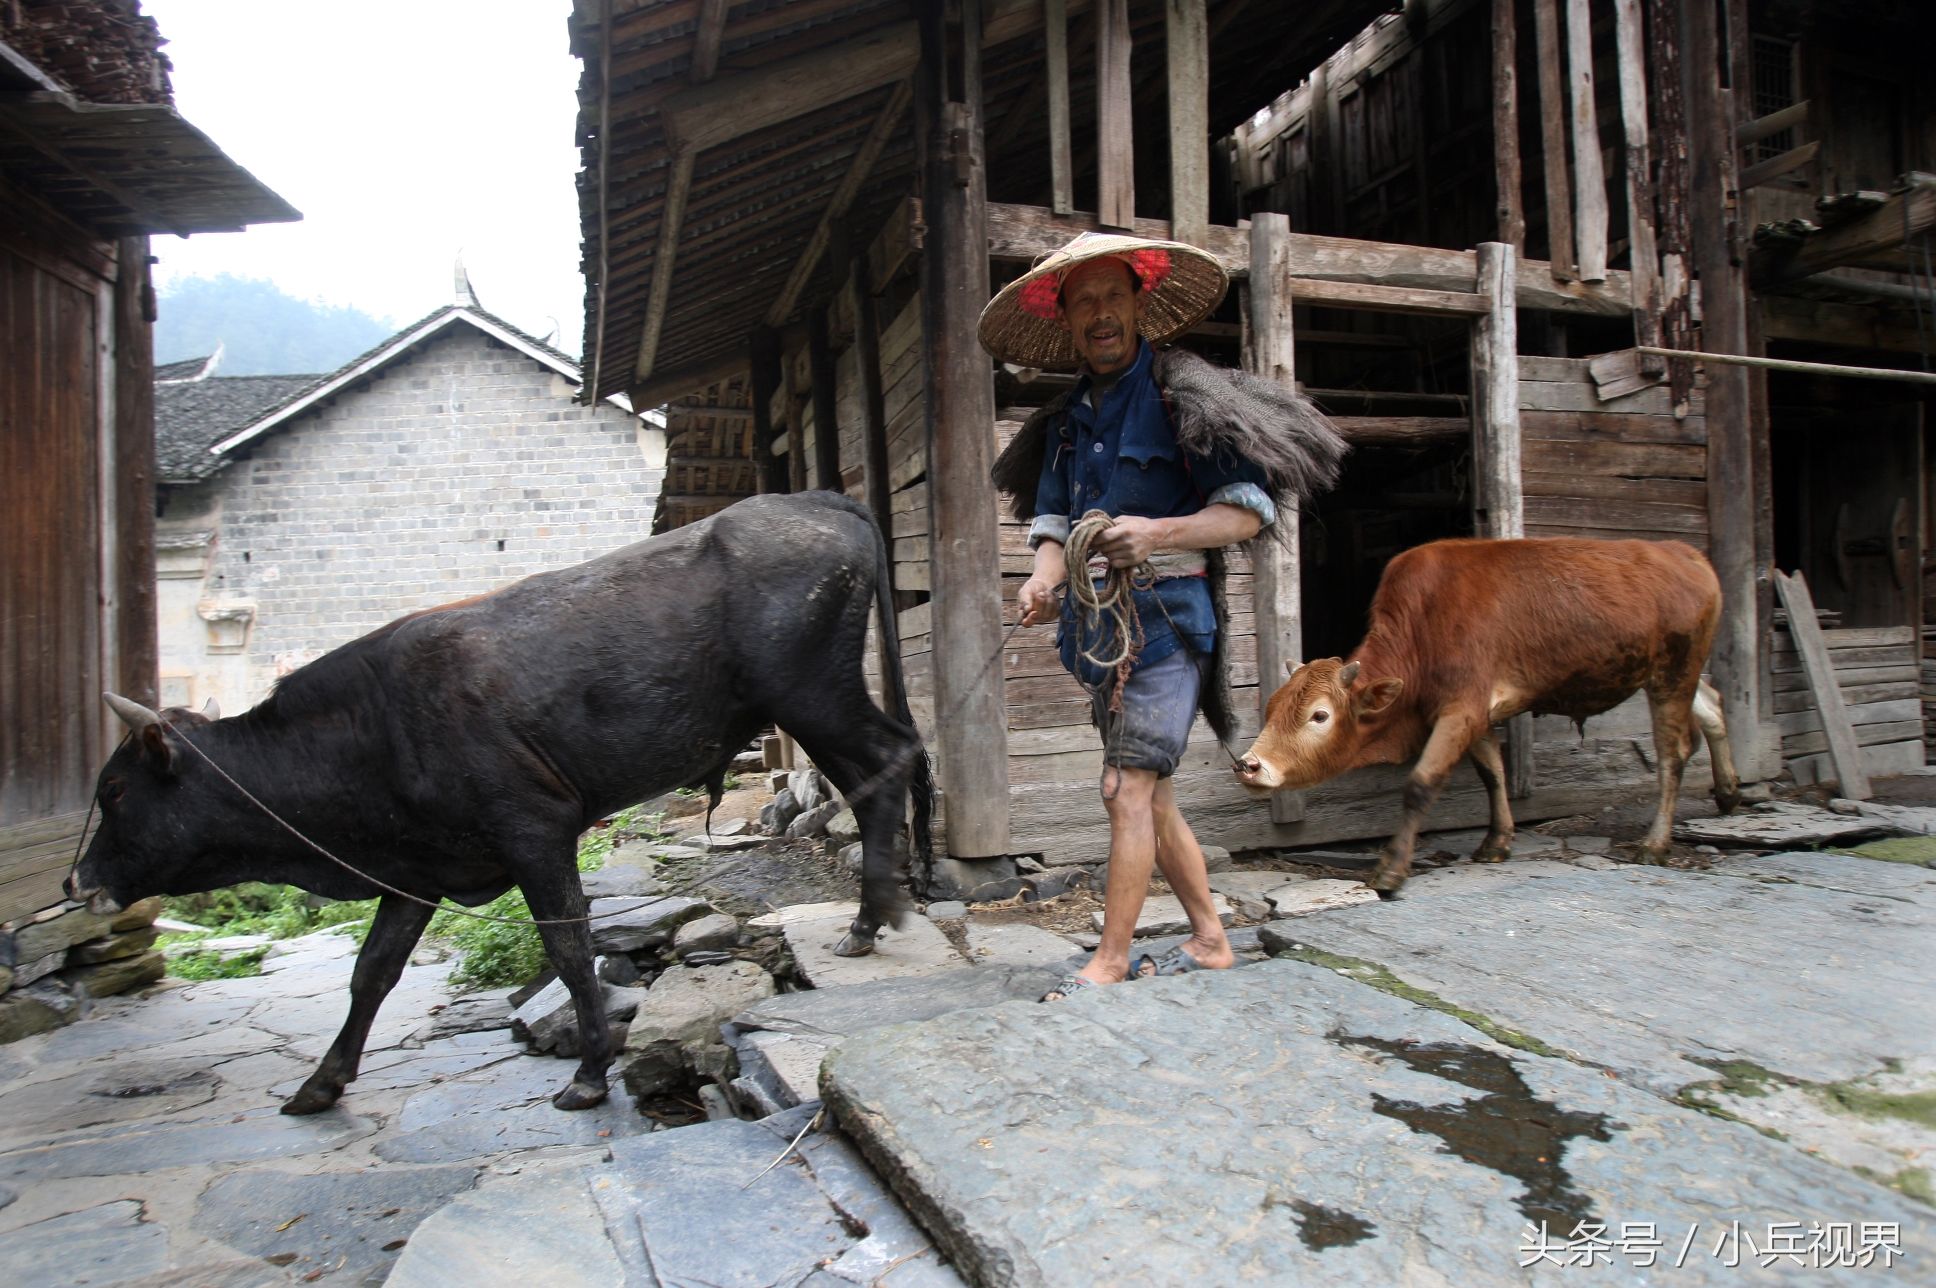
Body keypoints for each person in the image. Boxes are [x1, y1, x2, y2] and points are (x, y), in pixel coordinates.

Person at [980, 232, 1347, 1001]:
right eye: (1084, 302)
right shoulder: (1066, 420)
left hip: (1171, 625)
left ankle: (1109, 965)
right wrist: (1045, 580)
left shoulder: (1186, 397)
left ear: (1140, 303)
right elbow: (1052, 522)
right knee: (1155, 795)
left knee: (1125, 791)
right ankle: (1211, 940)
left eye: (1114, 296)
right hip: (1097, 632)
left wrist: (1155, 534)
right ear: (1066, 318)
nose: (1101, 313)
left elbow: (1244, 514)